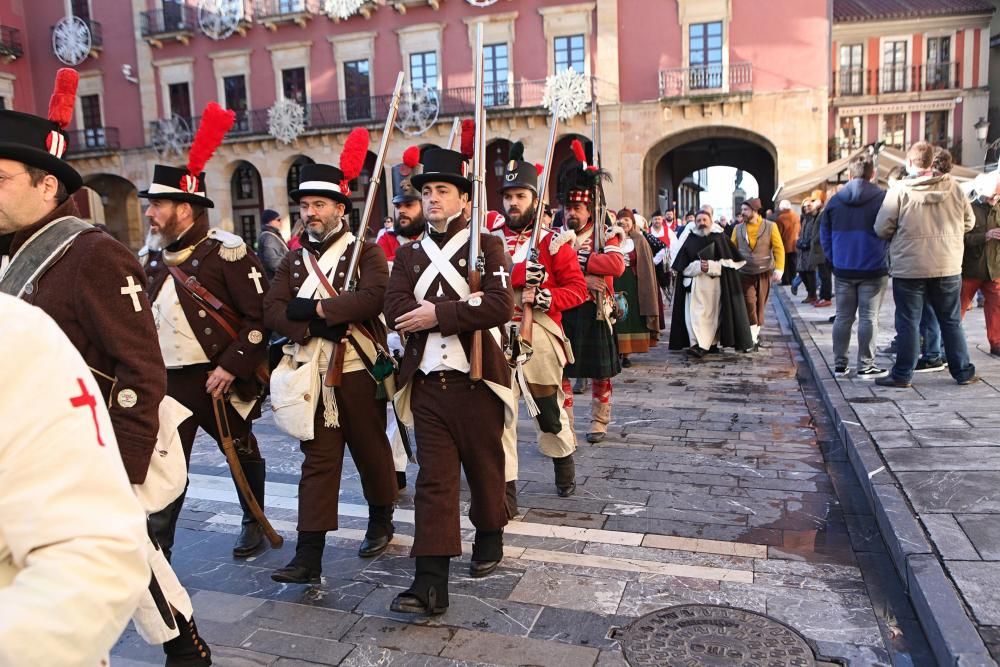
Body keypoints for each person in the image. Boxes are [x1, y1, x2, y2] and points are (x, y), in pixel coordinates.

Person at [0, 69, 212, 666]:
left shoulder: (93, 254)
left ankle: (185, 646)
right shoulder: (11, 257)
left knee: (110, 550)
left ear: (47, 187)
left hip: (86, 445)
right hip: (25, 447)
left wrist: (120, 463)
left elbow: (141, 368)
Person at [383, 147, 514, 615]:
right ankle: (430, 582)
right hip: (427, 385)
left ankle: (490, 530)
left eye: (442, 190)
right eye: (427, 191)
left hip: (477, 380)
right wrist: (437, 315)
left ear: (463, 198)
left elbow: (500, 305)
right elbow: (394, 308)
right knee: (433, 483)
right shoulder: (407, 253)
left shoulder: (487, 245)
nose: (432, 199)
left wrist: (437, 314)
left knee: (484, 468)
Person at [141, 103, 271, 561]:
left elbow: (260, 319)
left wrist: (231, 367)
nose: (149, 213)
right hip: (168, 379)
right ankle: (160, 541)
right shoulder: (152, 257)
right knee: (165, 462)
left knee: (240, 449)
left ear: (185, 207)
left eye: (156, 204)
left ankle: (252, 517)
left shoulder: (227, 253)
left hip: (217, 377)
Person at [263, 158, 399, 584]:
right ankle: (309, 555)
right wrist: (319, 323)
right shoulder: (293, 259)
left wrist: (315, 308)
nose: (311, 213)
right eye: (305, 205)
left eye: (319, 204)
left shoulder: (367, 250)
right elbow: (272, 308)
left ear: (341, 208)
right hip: (312, 373)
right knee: (317, 462)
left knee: (370, 452)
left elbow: (375, 297)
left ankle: (381, 518)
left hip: (358, 369)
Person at [0, 295, 149, 667]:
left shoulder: (17, 331)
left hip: (75, 441)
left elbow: (139, 363)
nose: (152, 230)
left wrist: (127, 461)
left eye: (158, 227)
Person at [492, 142, 587, 509]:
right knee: (499, 417)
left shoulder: (553, 241)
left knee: (549, 411)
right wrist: (516, 274)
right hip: (498, 334)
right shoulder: (490, 242)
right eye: (508, 196)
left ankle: (564, 465)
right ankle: (506, 493)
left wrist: (547, 296)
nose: (513, 203)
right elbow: (478, 281)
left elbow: (577, 290)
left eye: (520, 196)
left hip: (541, 335)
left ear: (534, 200)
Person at [874, 141, 978, 387]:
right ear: (932, 163)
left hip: (910, 266)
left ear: (909, 163)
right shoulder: (954, 187)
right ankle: (963, 371)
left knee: (908, 321)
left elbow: (881, 228)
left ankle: (902, 375)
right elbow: (969, 222)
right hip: (947, 264)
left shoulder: (899, 190)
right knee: (951, 320)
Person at [557, 141, 625, 443]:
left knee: (601, 372)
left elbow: (616, 264)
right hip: (564, 309)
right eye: (568, 207)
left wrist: (583, 261)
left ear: (589, 209)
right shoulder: (556, 238)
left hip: (596, 310)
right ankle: (566, 424)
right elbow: (549, 272)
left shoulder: (606, 234)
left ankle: (599, 421)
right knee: (561, 372)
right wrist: (584, 277)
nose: (572, 213)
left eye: (578, 208)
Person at [819, 154, 889, 378]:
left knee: (843, 317)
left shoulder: (836, 201)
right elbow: (891, 229)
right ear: (873, 174)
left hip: (844, 268)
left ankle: (840, 364)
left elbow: (824, 235)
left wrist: (834, 258)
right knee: (869, 318)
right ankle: (865, 365)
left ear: (848, 174)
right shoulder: (882, 198)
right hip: (873, 267)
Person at [669, 211, 753, 356]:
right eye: (699, 220)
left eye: (704, 219)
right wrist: (698, 266)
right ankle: (697, 344)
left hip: (714, 286)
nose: (702, 222)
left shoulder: (720, 237)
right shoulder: (690, 238)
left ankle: (710, 344)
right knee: (694, 316)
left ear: (711, 220)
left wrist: (712, 267)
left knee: (713, 317)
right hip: (695, 285)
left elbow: (729, 264)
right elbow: (683, 266)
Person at [731, 197, 784, 349]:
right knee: (749, 303)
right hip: (744, 272)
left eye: (745, 210)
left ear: (755, 211)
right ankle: (751, 339)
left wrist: (779, 269)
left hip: (764, 272)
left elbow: (779, 248)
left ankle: (754, 334)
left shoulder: (770, 226)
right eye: (741, 210)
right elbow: (732, 249)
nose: (742, 213)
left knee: (760, 305)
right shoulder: (737, 228)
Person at [613, 208, 660, 364]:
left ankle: (626, 354)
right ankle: (616, 350)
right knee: (615, 317)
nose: (623, 222)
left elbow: (646, 266)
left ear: (632, 222)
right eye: (621, 219)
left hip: (633, 284)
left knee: (630, 317)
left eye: (627, 220)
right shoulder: (610, 238)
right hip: (614, 281)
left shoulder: (639, 240)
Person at [961, 172, 1000, 358]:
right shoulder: (969, 209)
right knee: (959, 308)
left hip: (995, 267)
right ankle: (947, 345)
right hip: (971, 268)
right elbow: (962, 237)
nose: (996, 198)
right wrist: (985, 236)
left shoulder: (999, 207)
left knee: (996, 307)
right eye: (993, 195)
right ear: (983, 192)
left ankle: (997, 343)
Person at [797, 192, 833, 307]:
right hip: (811, 248)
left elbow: (819, 232)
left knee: (822, 274)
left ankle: (823, 296)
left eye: (813, 202)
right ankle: (820, 295)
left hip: (818, 248)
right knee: (816, 273)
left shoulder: (820, 214)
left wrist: (811, 242)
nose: (810, 205)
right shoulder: (807, 217)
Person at [256, 208, 288, 281]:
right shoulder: (268, 237)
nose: (281, 222)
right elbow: (273, 262)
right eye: (278, 220)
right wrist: (290, 266)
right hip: (275, 280)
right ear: (269, 221)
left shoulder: (271, 235)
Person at [775, 200, 800, 286]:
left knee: (784, 264)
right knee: (793, 264)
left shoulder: (781, 218)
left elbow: (779, 232)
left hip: (785, 244)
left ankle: (785, 280)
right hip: (795, 244)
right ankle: (793, 280)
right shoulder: (796, 216)